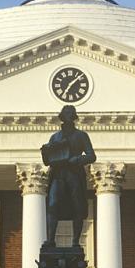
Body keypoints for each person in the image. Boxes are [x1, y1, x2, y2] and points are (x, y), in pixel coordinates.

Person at [40, 105, 96, 247]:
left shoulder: (81, 136)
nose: (69, 116)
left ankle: (76, 242)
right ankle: (51, 240)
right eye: (66, 114)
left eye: (71, 114)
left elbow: (91, 156)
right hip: (58, 175)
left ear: (74, 117)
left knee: (77, 206)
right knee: (52, 205)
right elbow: (50, 158)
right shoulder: (55, 137)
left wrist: (77, 159)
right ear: (62, 117)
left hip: (74, 175)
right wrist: (46, 153)